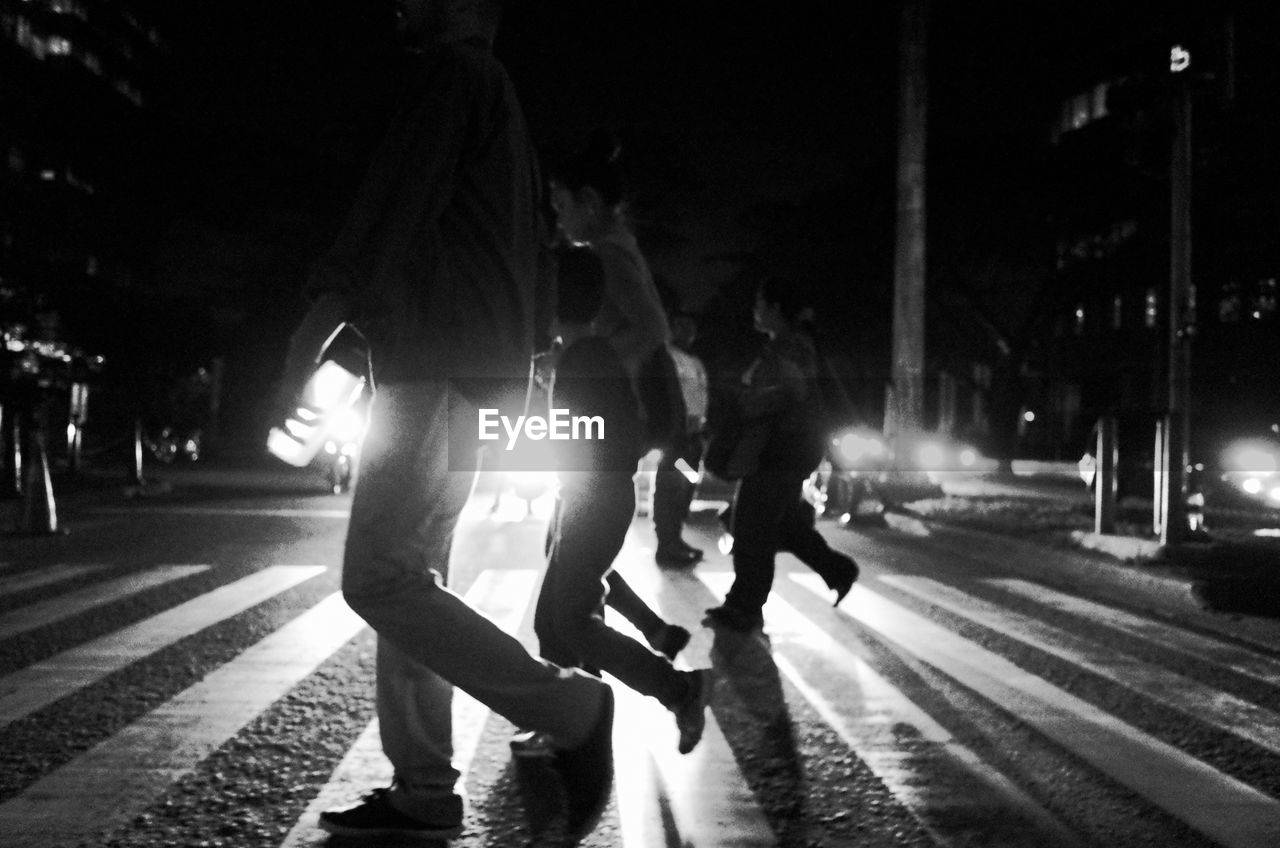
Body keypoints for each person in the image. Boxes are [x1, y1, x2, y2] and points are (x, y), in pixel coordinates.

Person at [276, 1, 614, 841]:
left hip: (432, 361)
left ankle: (570, 706)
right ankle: (423, 790)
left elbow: (389, 212)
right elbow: (530, 259)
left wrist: (306, 338)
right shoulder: (503, 99)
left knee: (380, 579)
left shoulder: (452, 76)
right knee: (413, 578)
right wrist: (529, 374)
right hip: (480, 370)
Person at [517, 245, 712, 757]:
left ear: (553, 301)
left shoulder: (587, 359)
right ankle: (571, 720)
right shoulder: (586, 355)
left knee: (571, 620)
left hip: (595, 497)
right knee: (553, 620)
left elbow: (593, 433)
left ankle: (679, 691)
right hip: (590, 495)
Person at [702, 278, 861, 632]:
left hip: (781, 449)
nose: (754, 309)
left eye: (760, 302)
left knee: (751, 524)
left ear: (776, 308)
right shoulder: (784, 346)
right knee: (783, 523)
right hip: (786, 447)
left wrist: (750, 402)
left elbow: (793, 390)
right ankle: (837, 570)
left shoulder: (791, 347)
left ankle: (745, 606)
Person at [652, 312, 709, 567]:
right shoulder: (668, 357)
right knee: (672, 488)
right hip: (676, 437)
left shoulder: (695, 361)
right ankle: (666, 544)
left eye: (690, 326)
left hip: (695, 435)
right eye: (680, 325)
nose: (686, 331)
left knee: (686, 488)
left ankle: (674, 538)